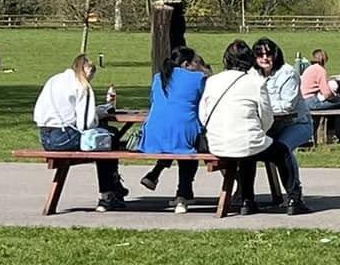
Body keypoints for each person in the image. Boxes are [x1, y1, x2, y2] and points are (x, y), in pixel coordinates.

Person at [200, 40, 294, 215]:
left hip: (217, 143)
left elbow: (203, 115)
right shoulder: (256, 82)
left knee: (248, 153)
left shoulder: (212, 81)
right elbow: (267, 117)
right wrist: (260, 131)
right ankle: (294, 198)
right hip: (246, 140)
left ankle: (247, 200)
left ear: (226, 59)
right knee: (281, 152)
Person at [34, 54, 124, 211]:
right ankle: (108, 194)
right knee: (108, 137)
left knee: (104, 138)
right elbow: (86, 124)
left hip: (46, 137)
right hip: (65, 137)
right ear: (88, 71)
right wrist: (98, 115)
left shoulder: (54, 80)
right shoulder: (82, 86)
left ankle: (114, 187)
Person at [135, 47, 209, 213]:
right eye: (197, 62)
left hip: (153, 134)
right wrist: (206, 72)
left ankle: (156, 174)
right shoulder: (198, 78)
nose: (199, 65)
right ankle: (182, 194)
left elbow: (154, 100)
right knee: (188, 145)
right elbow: (205, 103)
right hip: (183, 133)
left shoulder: (159, 77)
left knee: (176, 140)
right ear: (186, 64)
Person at [254, 38, 313, 214]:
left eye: (268, 54)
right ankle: (244, 195)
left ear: (276, 54)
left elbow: (287, 106)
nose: (264, 58)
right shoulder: (252, 74)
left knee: (282, 149)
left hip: (296, 123)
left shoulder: (288, 73)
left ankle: (295, 196)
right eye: (260, 54)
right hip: (269, 125)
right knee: (244, 148)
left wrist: (261, 108)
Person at [301, 49, 340, 152]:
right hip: (312, 102)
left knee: (336, 104)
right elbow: (327, 93)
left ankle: (329, 134)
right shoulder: (320, 70)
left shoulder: (309, 69)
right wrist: (335, 98)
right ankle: (336, 133)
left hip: (303, 100)